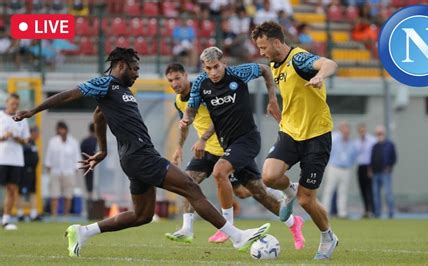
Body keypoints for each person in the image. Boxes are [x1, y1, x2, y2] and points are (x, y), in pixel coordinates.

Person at [13, 47, 270, 257]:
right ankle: (237, 237)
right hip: (141, 156)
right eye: (135, 68)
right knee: (191, 188)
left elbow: (99, 115)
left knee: (142, 215)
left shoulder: (121, 91)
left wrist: (102, 150)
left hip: (134, 157)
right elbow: (69, 95)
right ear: (122, 65)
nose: (137, 74)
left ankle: (83, 232)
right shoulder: (105, 83)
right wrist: (32, 111)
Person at [180, 47, 305, 249]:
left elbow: (265, 69)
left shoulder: (238, 73)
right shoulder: (201, 85)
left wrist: (273, 98)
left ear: (224, 63)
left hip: (247, 139)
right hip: (227, 143)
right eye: (209, 68)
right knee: (258, 191)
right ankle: (294, 223)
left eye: (217, 67)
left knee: (219, 172)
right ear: (204, 68)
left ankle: (227, 226)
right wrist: (186, 118)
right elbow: (192, 107)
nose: (213, 72)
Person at [251, 21, 339, 260]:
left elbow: (329, 63)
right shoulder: (274, 62)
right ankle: (287, 192)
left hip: (316, 136)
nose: (261, 52)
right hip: (290, 132)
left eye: (263, 47)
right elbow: (273, 79)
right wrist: (273, 101)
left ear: (277, 42)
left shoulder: (300, 60)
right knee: (269, 176)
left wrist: (320, 75)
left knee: (306, 199)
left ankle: (328, 237)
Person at [164, 62, 252, 243]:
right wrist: (179, 147)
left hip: (225, 148)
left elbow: (220, 117)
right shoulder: (179, 101)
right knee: (187, 181)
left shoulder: (204, 91)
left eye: (177, 78)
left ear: (186, 76)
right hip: (205, 152)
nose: (174, 84)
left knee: (244, 191)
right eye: (170, 80)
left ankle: (269, 187)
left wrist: (203, 138)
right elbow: (185, 124)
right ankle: (187, 229)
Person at [0, 93, 30, 230]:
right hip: (2, 157)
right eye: (12, 103)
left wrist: (18, 138)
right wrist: (3, 137)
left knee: (12, 189)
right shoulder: (0, 117)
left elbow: (26, 140)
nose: (15, 106)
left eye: (17, 104)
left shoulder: (22, 119)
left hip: (16, 159)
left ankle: (5, 220)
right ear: (7, 102)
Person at [321, 121, 358, 219]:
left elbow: (354, 156)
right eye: (344, 128)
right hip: (334, 167)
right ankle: (325, 212)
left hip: (345, 169)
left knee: (343, 191)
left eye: (347, 128)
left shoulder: (351, 143)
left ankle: (342, 213)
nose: (346, 131)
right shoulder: (334, 138)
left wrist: (349, 165)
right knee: (329, 190)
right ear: (340, 129)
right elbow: (327, 150)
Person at [45, 121, 81, 217]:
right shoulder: (53, 141)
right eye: (59, 129)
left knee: (68, 195)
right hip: (55, 171)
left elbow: (77, 156)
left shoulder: (73, 142)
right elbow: (49, 155)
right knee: (54, 195)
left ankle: (66, 215)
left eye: (62, 129)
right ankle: (54, 215)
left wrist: (76, 168)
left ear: (66, 130)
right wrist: (48, 166)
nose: (61, 131)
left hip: (69, 172)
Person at [370, 125, 397, 218]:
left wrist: (389, 166)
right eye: (377, 133)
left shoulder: (390, 145)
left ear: (384, 133)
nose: (379, 135)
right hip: (375, 173)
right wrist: (371, 170)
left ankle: (391, 213)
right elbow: (372, 159)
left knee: (388, 194)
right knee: (376, 195)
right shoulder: (374, 146)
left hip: (385, 173)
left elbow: (394, 158)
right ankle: (377, 213)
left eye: (380, 133)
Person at [17, 126, 42, 222]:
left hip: (32, 170)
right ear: (31, 133)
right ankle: (20, 213)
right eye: (36, 133)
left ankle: (33, 213)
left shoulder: (34, 143)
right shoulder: (26, 142)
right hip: (24, 171)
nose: (38, 135)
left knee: (32, 191)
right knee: (21, 192)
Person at [354, 122, 376, 218]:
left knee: (370, 190)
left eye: (363, 130)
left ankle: (373, 210)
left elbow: (374, 155)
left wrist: (371, 168)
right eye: (360, 131)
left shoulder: (372, 140)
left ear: (365, 130)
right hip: (360, 167)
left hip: (369, 166)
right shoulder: (356, 142)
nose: (362, 132)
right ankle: (366, 210)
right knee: (362, 190)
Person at [80, 123, 97, 200]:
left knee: (89, 185)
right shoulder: (99, 141)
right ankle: (95, 199)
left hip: (88, 165)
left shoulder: (85, 141)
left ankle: (90, 199)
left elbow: (81, 153)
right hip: (97, 166)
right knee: (95, 183)